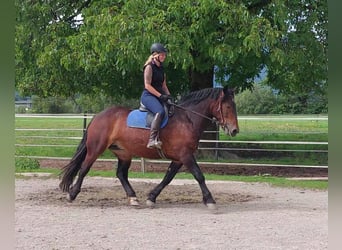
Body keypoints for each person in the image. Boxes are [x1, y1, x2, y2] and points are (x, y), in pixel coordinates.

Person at [140, 43, 172, 149]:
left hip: (159, 96)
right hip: (148, 96)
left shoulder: (162, 69)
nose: (164, 57)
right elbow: (147, 85)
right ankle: (152, 139)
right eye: (162, 55)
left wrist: (169, 96)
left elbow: (164, 85)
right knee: (160, 111)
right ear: (155, 55)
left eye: (164, 55)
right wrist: (160, 96)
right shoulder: (149, 67)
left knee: (172, 109)